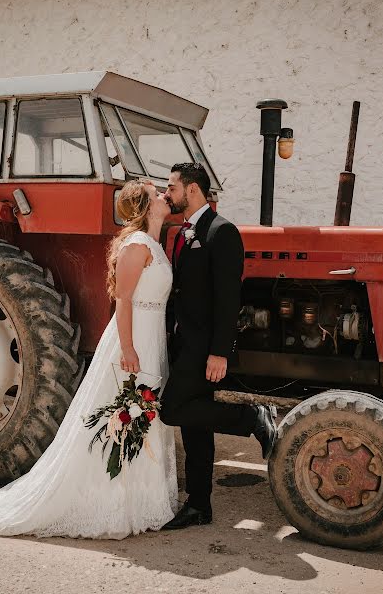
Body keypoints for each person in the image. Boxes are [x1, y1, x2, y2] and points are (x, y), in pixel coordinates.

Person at [0, 181, 178, 539]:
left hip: (151, 337)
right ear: (147, 206)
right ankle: (115, 500)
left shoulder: (152, 244)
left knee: (142, 415)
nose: (165, 195)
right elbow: (124, 300)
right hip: (134, 340)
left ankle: (141, 498)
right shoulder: (136, 246)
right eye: (157, 193)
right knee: (126, 412)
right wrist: (129, 348)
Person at [160, 162, 276, 530]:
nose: (168, 193)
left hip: (204, 347)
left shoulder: (223, 232)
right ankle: (199, 505)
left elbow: (229, 298)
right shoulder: (182, 232)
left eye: (172, 187)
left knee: (172, 410)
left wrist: (219, 352)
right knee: (196, 424)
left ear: (192, 190)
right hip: (182, 341)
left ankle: (253, 418)